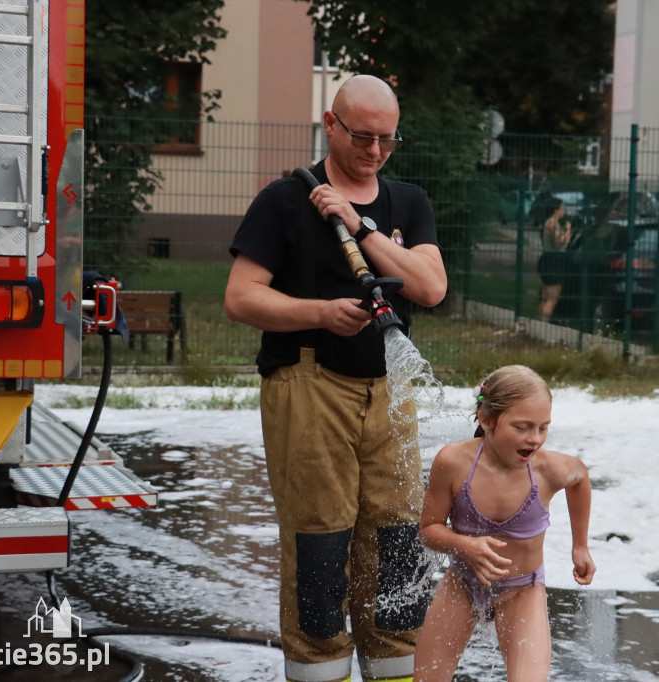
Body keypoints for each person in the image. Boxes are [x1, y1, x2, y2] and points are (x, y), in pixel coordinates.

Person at [224, 74, 448, 682]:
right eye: (361, 136)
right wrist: (321, 314)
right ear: (330, 124)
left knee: (398, 542)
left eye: (386, 139)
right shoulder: (284, 200)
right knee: (321, 544)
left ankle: (395, 669)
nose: (374, 151)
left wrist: (361, 223)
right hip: (309, 385)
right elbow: (241, 298)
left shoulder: (407, 204)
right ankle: (321, 668)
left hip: (389, 389)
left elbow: (429, 288)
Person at [413, 365, 595, 682]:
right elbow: (428, 530)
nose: (535, 439)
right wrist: (465, 545)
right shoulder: (454, 462)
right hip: (462, 584)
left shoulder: (548, 469)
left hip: (522, 591)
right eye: (523, 427)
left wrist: (580, 546)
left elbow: (579, 478)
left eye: (543, 428)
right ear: (486, 420)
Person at [537, 196, 573, 322]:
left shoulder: (549, 222)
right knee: (551, 298)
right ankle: (543, 325)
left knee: (546, 297)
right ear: (555, 209)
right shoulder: (553, 223)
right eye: (562, 208)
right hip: (554, 261)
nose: (564, 211)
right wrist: (568, 231)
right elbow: (557, 242)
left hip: (548, 259)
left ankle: (540, 322)